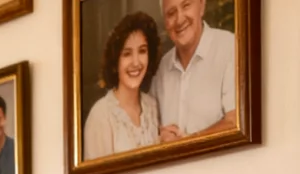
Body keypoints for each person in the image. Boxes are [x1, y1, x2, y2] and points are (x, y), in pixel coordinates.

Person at [152, 0, 237, 143]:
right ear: (165, 22)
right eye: (171, 13)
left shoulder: (229, 47)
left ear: (202, 6)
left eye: (186, 6)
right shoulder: (163, 68)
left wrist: (187, 143)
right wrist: (161, 137)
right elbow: (152, 129)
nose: (179, 20)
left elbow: (235, 121)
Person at [84, 12, 164, 159]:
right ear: (115, 61)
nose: (136, 62)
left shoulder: (152, 107)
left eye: (142, 51)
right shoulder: (100, 116)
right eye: (127, 54)